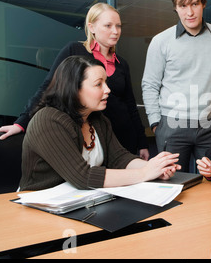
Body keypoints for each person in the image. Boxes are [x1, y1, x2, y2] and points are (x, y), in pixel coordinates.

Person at [0, 3, 150, 160]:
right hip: (90, 138)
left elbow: (130, 105)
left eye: (118, 26)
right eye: (108, 26)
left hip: (124, 138)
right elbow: (47, 88)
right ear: (92, 27)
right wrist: (21, 123)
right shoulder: (75, 51)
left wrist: (142, 142)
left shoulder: (121, 63)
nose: (115, 31)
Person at [20, 56, 180, 191]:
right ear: (74, 89)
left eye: (106, 82)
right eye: (98, 84)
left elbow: (120, 159)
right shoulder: (48, 120)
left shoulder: (98, 119)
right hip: (40, 203)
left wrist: (155, 167)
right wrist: (144, 173)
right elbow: (83, 177)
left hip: (81, 200)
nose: (108, 89)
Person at [141, 0, 211, 172]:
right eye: (183, 5)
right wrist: (155, 123)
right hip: (171, 124)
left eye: (194, 4)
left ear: (203, 3)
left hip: (209, 124)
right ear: (175, 8)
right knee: (171, 185)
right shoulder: (161, 41)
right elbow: (150, 84)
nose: (189, 12)